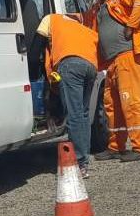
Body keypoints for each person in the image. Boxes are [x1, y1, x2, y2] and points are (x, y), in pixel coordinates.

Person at [84, 0, 140, 163]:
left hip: (127, 56)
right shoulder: (99, 5)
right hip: (112, 61)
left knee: (131, 102)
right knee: (112, 104)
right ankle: (116, 146)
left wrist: (131, 25)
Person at [31, 13, 99, 178]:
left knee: (74, 115)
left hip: (70, 65)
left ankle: (80, 163)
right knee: (82, 114)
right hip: (91, 66)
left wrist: (31, 73)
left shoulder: (50, 19)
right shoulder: (80, 26)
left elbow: (35, 49)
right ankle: (84, 159)